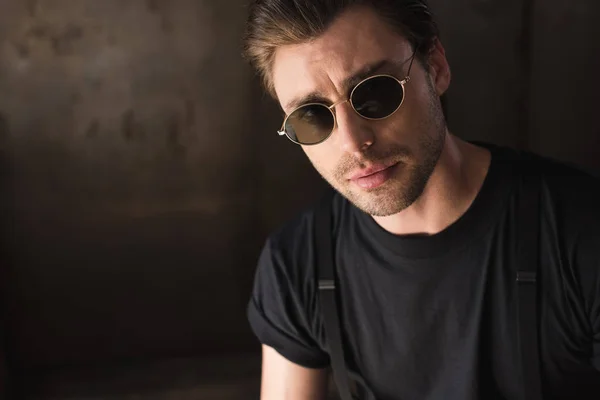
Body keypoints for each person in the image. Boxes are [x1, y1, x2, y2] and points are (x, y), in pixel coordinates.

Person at [241, 1, 600, 399]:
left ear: (437, 67)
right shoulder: (296, 263)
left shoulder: (580, 232)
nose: (353, 143)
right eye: (312, 116)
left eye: (375, 92)